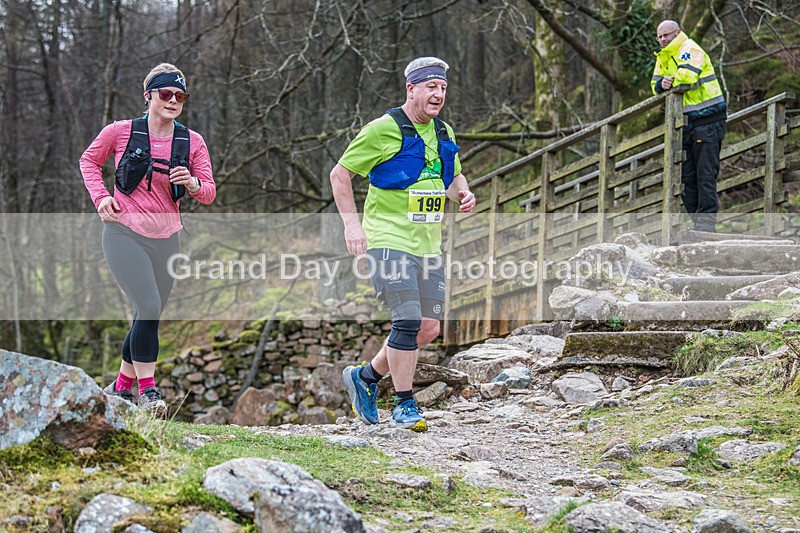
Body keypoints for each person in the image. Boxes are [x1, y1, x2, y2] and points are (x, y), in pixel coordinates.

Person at [331, 57, 476, 432]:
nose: (438, 94)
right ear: (410, 89)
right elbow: (340, 174)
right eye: (430, 86)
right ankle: (404, 404)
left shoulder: (445, 131)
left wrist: (464, 192)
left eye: (442, 88)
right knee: (408, 318)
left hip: (428, 244)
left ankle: (365, 377)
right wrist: (352, 225)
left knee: (428, 328)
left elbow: (452, 173)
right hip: (388, 239)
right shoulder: (383, 129)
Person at [80, 63, 216, 415]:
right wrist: (100, 198)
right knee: (150, 306)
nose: (173, 101)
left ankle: (120, 388)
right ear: (149, 96)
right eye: (166, 94)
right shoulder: (121, 131)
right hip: (123, 232)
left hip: (167, 237)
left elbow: (209, 192)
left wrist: (192, 183)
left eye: (180, 96)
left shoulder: (192, 141)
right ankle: (149, 390)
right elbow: (88, 161)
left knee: (148, 311)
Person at [652, 20, 727, 233]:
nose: (663, 39)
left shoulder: (690, 49)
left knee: (705, 174)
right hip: (685, 123)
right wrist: (661, 85)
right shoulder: (663, 57)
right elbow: (654, 84)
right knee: (685, 178)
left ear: (678, 32)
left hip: (708, 120)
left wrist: (670, 80)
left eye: (667, 35)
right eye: (660, 36)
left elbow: (688, 76)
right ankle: (698, 225)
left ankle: (705, 226)